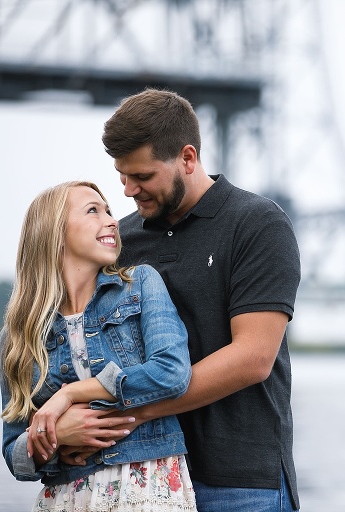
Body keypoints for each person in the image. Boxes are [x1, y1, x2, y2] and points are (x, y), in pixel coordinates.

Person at [54, 88, 302, 511]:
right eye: (122, 175)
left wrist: (128, 413)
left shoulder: (258, 223)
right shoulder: (120, 241)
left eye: (143, 176)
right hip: (142, 479)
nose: (129, 190)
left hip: (240, 480)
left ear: (187, 159)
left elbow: (253, 358)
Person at [0, 181, 198, 511]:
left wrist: (70, 396)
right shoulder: (18, 335)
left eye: (109, 211)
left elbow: (172, 372)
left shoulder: (141, 285)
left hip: (147, 490)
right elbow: (14, 454)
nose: (111, 221)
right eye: (93, 210)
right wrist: (58, 435)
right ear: (53, 231)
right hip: (66, 498)